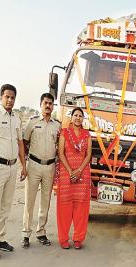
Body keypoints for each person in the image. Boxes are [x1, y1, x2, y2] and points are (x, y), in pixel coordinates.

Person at [0, 84, 27, 259]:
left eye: (12, 97)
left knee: (6, 206)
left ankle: (0, 239)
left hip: (12, 166)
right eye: (7, 97)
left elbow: (20, 143)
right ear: (1, 97)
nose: (10, 100)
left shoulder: (16, 118)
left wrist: (24, 165)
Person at [21, 93, 61, 248]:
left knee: (45, 201)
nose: (48, 106)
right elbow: (24, 142)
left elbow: (59, 144)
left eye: (51, 103)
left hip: (49, 167)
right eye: (46, 103)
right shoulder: (32, 122)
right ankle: (26, 233)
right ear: (40, 104)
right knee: (29, 201)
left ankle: (41, 232)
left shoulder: (57, 125)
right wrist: (25, 161)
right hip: (34, 165)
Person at [56, 107, 92, 249]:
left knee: (81, 207)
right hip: (66, 174)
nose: (77, 118)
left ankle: (78, 239)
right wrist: (71, 171)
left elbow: (88, 155)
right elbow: (61, 153)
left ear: (83, 119)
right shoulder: (64, 132)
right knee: (64, 206)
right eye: (75, 115)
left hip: (82, 174)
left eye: (80, 116)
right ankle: (63, 239)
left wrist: (79, 171)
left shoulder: (87, 134)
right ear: (71, 118)